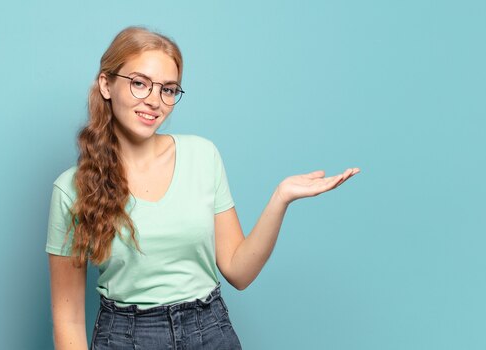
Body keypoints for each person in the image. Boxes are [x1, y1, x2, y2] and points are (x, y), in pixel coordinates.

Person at [46, 26, 360, 350]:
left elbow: (239, 271)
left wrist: (281, 198)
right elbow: (67, 318)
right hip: (126, 338)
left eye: (168, 89)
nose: (154, 101)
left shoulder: (202, 156)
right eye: (139, 83)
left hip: (209, 332)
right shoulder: (72, 189)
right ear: (106, 84)